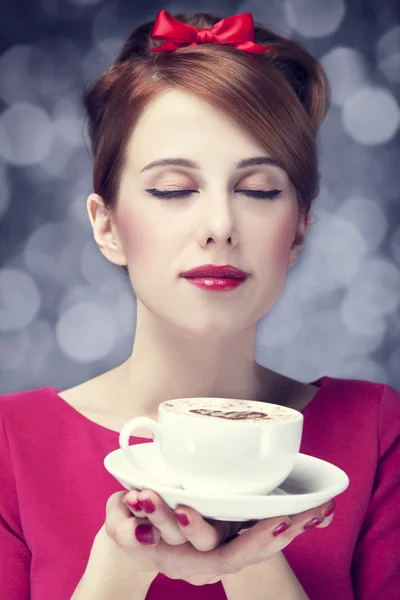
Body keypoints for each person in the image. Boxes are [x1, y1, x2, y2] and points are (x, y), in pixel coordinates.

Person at [0, 8, 399, 600]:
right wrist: (117, 568)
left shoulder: (375, 431)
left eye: (258, 190)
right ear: (106, 225)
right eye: (173, 190)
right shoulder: (13, 443)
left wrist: (248, 553)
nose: (219, 225)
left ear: (299, 231)